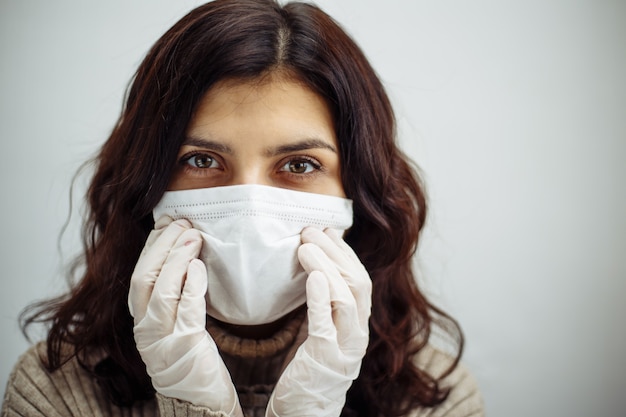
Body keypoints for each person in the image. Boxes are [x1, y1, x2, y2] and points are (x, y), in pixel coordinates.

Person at [2, 0, 484, 416]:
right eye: (202, 160)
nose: (250, 207)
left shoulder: (435, 398)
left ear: (359, 190)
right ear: (146, 179)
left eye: (298, 164)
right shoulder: (55, 389)